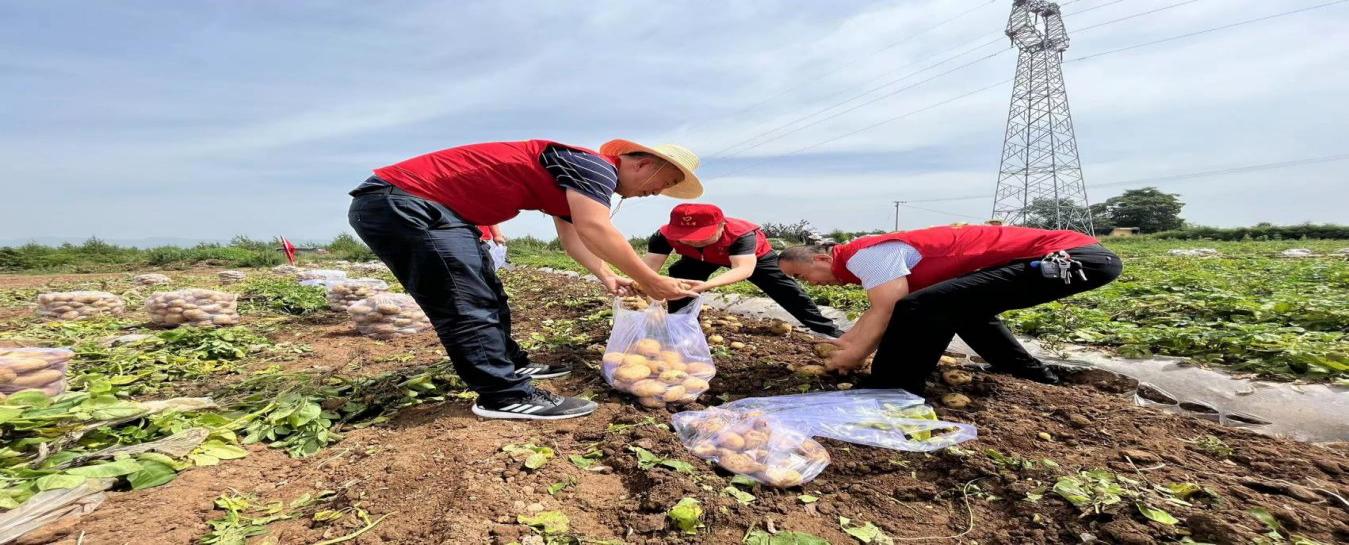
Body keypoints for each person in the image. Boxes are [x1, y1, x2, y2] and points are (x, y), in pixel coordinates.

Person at [348, 139, 702, 420]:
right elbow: (596, 227)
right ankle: (505, 396)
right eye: (664, 183)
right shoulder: (595, 167)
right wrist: (649, 280)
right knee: (465, 301)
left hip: (433, 209)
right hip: (406, 203)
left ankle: (513, 365)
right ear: (642, 164)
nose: (657, 192)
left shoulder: (578, 177)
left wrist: (607, 275)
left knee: (488, 292)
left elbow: (574, 237)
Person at [778, 224, 1122, 395]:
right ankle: (1028, 372)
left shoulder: (866, 255)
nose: (808, 283)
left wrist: (852, 358)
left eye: (801, 275)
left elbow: (887, 309)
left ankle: (892, 388)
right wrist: (846, 344)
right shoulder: (862, 262)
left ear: (823, 258)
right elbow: (874, 312)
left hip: (1069, 259)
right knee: (960, 307)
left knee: (920, 305)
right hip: (1080, 258)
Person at [642, 204, 843, 337]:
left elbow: (743, 269)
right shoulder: (663, 235)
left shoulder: (742, 234)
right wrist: (653, 294)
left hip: (754, 259)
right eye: (684, 236)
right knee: (681, 282)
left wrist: (708, 285)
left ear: (721, 226)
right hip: (699, 259)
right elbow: (649, 269)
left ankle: (829, 332)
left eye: (701, 236)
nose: (692, 240)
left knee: (787, 291)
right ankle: (682, 331)